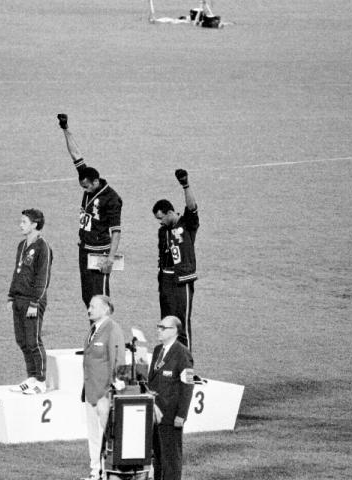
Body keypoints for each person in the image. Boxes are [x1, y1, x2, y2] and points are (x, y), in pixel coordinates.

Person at [58, 113, 123, 309]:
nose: (85, 191)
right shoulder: (87, 178)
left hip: (99, 252)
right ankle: (95, 327)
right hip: (84, 250)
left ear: (95, 182)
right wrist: (65, 128)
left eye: (86, 187)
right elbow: (75, 154)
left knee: (100, 298)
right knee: (87, 297)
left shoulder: (112, 199)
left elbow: (116, 231)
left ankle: (105, 328)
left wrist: (110, 258)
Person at [7, 208, 53, 395]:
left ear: (34, 225)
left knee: (33, 341)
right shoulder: (22, 245)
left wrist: (35, 303)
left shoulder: (43, 247)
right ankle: (31, 377)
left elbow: (43, 278)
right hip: (18, 299)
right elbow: (17, 271)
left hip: (33, 301)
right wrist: (11, 296)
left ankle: (41, 381)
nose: (20, 225)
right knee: (22, 341)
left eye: (24, 222)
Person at [152, 169, 199, 350]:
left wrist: (185, 185)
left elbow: (192, 207)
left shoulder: (187, 224)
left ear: (170, 212)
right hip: (165, 280)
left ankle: (187, 362)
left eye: (161, 218)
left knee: (181, 323)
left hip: (181, 280)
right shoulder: (162, 231)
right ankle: (169, 358)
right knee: (166, 322)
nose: (160, 222)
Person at [80, 295, 126, 480]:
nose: (89, 310)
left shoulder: (113, 329)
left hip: (104, 394)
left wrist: (112, 391)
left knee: (106, 436)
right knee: (93, 434)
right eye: (89, 306)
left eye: (93, 306)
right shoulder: (94, 329)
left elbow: (119, 362)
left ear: (106, 309)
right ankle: (95, 472)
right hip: (91, 391)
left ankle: (106, 472)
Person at [147, 316, 194, 480]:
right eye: (158, 326)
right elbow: (152, 380)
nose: (158, 330)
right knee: (158, 457)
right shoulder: (157, 350)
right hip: (155, 413)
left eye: (163, 328)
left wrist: (181, 415)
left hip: (171, 415)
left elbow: (188, 386)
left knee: (171, 458)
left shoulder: (182, 353)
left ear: (174, 331)